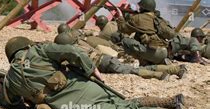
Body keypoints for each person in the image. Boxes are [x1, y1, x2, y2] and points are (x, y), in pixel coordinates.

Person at [0, 36, 206, 109]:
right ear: (25, 45)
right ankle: (170, 102)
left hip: (72, 107)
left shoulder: (11, 78)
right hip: (87, 86)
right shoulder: (38, 50)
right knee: (125, 104)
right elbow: (71, 51)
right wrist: (89, 68)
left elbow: (7, 102)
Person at [54, 32, 186, 80]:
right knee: (134, 68)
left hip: (106, 63)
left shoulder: (73, 52)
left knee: (134, 71)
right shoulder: (80, 44)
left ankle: (161, 74)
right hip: (107, 59)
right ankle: (174, 69)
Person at [117, 0, 175, 65]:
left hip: (153, 53)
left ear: (143, 8)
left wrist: (120, 16)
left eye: (140, 7)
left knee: (125, 41)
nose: (139, 8)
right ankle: (159, 61)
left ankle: (140, 61)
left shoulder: (138, 18)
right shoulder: (158, 19)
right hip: (164, 52)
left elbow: (122, 28)